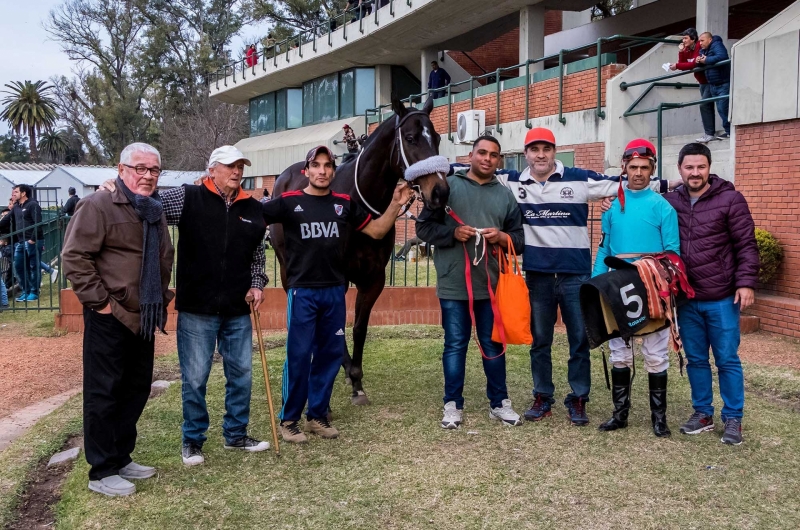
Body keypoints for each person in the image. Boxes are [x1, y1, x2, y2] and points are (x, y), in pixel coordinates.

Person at [493, 128, 678, 426]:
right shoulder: (513, 181)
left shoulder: (579, 178)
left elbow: (628, 181)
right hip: (538, 275)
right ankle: (543, 396)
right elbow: (475, 168)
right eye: (534, 149)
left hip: (574, 275)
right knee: (540, 340)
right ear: (526, 153)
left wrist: (674, 183)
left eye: (547, 149)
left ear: (555, 151)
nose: (541, 155)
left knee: (579, 339)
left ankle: (578, 399)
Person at [99, 145, 272, 466]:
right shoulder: (188, 197)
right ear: (212, 170)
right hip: (197, 309)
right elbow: (143, 205)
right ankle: (192, 441)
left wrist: (257, 283)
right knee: (195, 378)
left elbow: (258, 253)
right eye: (230, 166)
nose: (237, 172)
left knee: (242, 375)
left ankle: (236, 434)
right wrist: (114, 187)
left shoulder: (253, 207)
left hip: (237, 308)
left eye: (240, 166)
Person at [263, 146, 412, 443]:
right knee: (299, 355)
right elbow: (254, 218)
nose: (322, 171)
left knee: (330, 356)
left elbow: (378, 231)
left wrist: (396, 205)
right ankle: (289, 420)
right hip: (303, 292)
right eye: (316, 166)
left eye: (327, 166)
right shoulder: (288, 202)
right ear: (306, 171)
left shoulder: (344, 204)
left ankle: (317, 416)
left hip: (333, 291)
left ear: (333, 170)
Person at [62, 142, 174, 497]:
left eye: (153, 170)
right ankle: (102, 469)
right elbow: (75, 257)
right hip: (110, 316)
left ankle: (121, 455)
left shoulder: (154, 210)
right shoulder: (98, 205)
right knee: (104, 391)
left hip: (144, 315)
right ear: (121, 170)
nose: (147, 175)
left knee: (136, 388)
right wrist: (102, 304)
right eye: (139, 168)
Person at [416, 136, 525, 429]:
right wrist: (453, 234)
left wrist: (502, 238)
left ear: (499, 160)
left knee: (493, 344)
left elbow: (519, 239)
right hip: (454, 284)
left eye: (494, 155)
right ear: (471, 155)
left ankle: (499, 403)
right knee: (455, 345)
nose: (487, 158)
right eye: (482, 153)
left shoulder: (505, 195)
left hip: (490, 285)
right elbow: (423, 227)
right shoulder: (449, 186)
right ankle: (453, 405)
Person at [665, 143, 758, 445]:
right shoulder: (669, 202)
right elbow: (639, 207)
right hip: (686, 298)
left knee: (727, 359)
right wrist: (609, 204)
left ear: (709, 167)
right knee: (696, 360)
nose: (695, 172)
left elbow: (746, 245)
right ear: (679, 169)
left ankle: (733, 418)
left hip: (721, 297)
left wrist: (746, 283)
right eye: (689, 167)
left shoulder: (731, 199)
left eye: (700, 167)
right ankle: (702, 413)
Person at [592, 139, 680, 438]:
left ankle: (659, 418)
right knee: (620, 351)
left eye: (644, 168)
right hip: (618, 284)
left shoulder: (663, 207)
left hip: (653, 285)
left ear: (652, 169)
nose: (638, 173)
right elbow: (604, 248)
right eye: (633, 167)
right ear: (624, 168)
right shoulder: (612, 205)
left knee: (655, 354)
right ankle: (620, 414)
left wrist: (664, 284)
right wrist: (595, 285)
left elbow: (672, 253)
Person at [670, 28, 717, 144]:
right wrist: (681, 52)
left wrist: (677, 65)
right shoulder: (686, 49)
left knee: (705, 105)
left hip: (710, 80)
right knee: (708, 105)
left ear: (693, 39)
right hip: (702, 82)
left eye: (686, 38)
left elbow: (693, 64)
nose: (683, 40)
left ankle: (710, 133)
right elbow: (682, 63)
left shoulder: (698, 48)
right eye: (683, 38)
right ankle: (710, 132)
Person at [0, 184, 44, 302]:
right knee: (18, 266)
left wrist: (32, 239)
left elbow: (38, 223)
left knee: (34, 266)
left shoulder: (33, 205)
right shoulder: (16, 207)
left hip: (33, 241)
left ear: (23, 193)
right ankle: (26, 290)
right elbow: (5, 220)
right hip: (21, 241)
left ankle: (34, 292)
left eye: (16, 192)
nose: (13, 194)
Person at [696, 32, 730, 139]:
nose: (700, 43)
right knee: (719, 108)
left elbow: (722, 56)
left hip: (723, 82)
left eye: (702, 40)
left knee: (723, 108)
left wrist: (706, 60)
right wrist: (699, 61)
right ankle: (723, 132)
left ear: (709, 40)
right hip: (713, 84)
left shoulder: (717, 45)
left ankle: (729, 131)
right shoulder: (703, 50)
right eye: (699, 41)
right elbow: (703, 61)